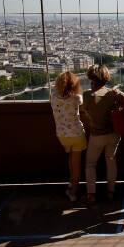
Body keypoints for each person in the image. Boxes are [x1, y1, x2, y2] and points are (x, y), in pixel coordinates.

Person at [82, 65, 124, 204]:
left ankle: (91, 194)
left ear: (92, 78)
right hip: (113, 134)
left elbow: (86, 111)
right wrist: (120, 93)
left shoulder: (87, 95)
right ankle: (111, 191)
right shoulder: (113, 94)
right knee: (111, 161)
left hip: (96, 135)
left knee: (90, 164)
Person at [50, 71, 87, 202]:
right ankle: (74, 191)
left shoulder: (53, 96)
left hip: (62, 135)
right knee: (76, 162)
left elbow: (56, 89)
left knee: (70, 157)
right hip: (76, 134)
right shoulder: (77, 98)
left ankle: (71, 181)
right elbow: (81, 100)